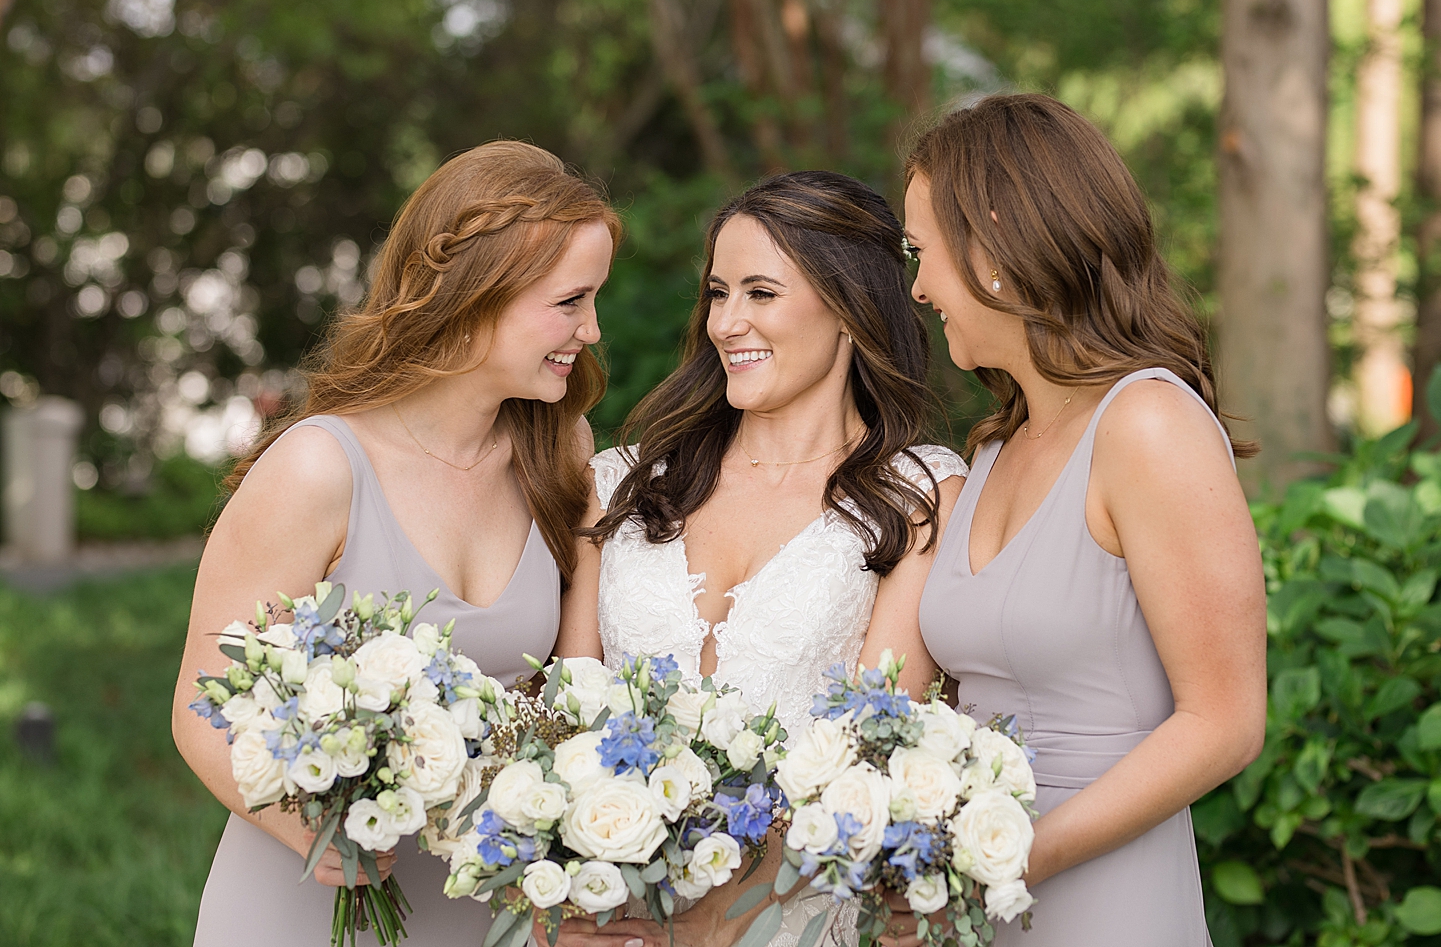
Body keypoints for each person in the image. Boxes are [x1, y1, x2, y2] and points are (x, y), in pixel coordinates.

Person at [173, 140, 624, 946]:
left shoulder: (563, 450)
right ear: (478, 293)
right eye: (570, 301)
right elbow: (201, 709)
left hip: (489, 908)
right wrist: (320, 834)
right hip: (309, 905)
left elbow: (570, 698)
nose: (591, 329)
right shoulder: (319, 467)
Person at [555, 171, 967, 947]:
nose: (726, 322)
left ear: (850, 307)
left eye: (760, 293)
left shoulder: (917, 496)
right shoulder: (621, 484)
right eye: (717, 293)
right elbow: (565, 723)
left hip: (803, 924)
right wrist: (567, 901)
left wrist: (717, 923)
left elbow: (874, 758)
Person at [907, 93, 1266, 944]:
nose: (918, 287)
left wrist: (1020, 856)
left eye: (924, 254)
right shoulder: (996, 447)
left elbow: (1225, 723)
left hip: (1104, 898)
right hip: (973, 901)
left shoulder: (1148, 424)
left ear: (992, 243)